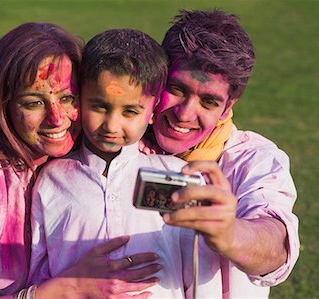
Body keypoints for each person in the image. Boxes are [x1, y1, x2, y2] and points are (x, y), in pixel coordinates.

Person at [0, 22, 157, 298]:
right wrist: (72, 287)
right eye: (33, 103)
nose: (57, 118)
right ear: (2, 104)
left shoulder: (59, 157)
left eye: (68, 97)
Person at [28, 28, 202, 298]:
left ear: (154, 110)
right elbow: (38, 268)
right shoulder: (51, 179)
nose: (111, 126)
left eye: (130, 111)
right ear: (80, 99)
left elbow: (197, 269)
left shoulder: (176, 176)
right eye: (99, 106)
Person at [141, 9, 300, 298]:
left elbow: (277, 247)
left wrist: (230, 233)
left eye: (209, 101)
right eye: (177, 89)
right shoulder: (122, 142)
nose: (185, 114)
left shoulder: (256, 159)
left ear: (228, 107)